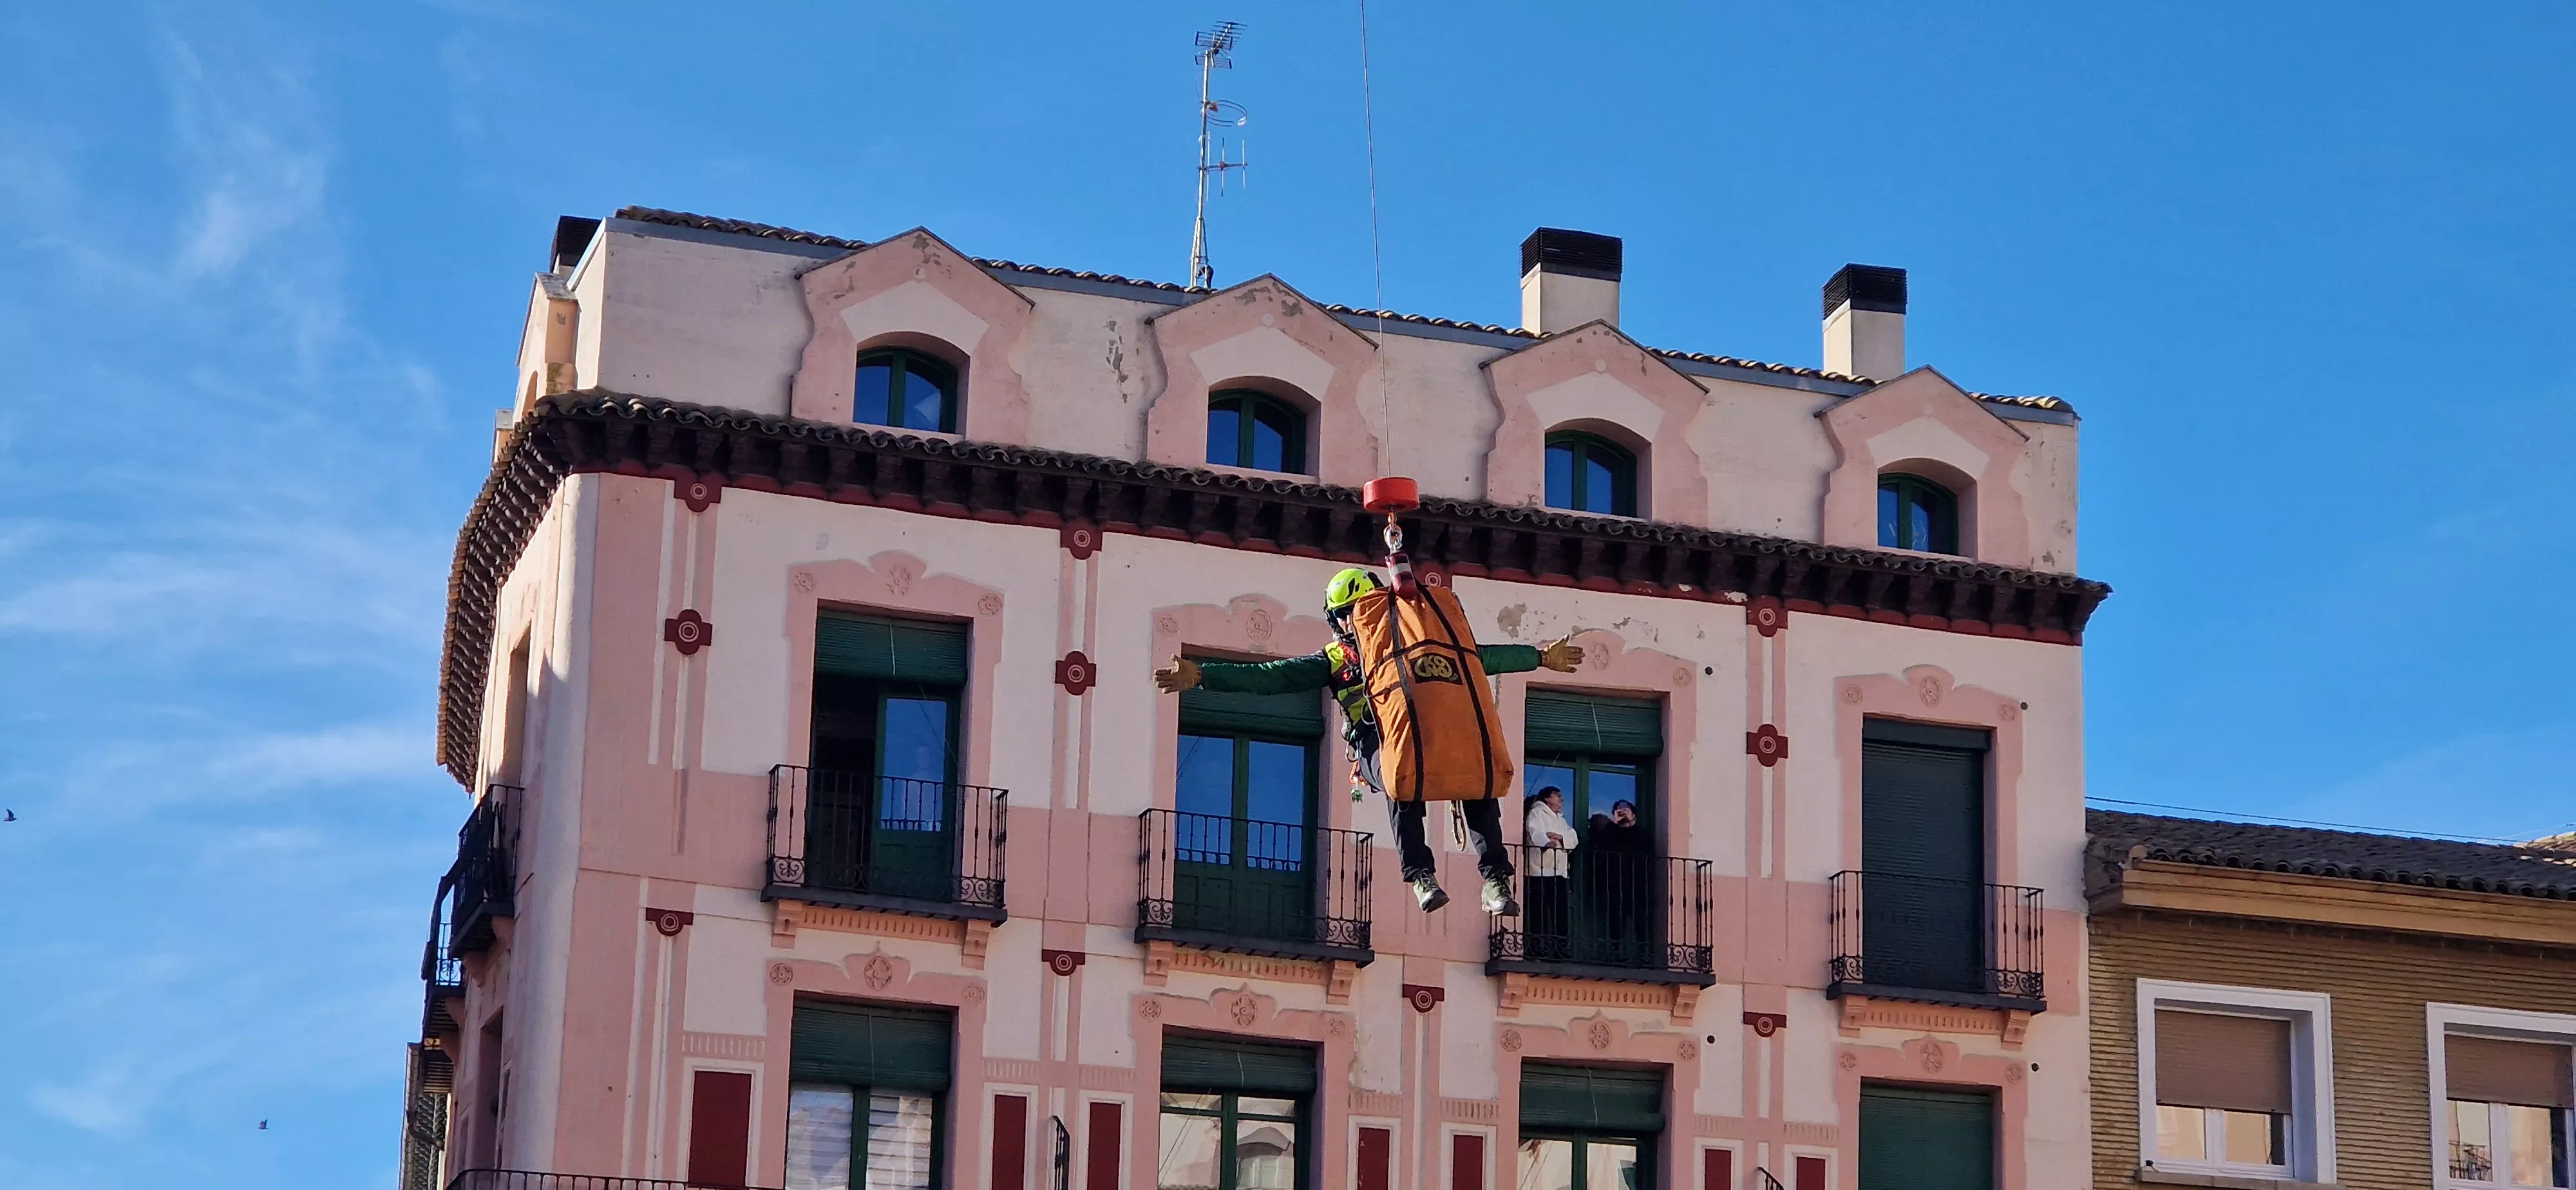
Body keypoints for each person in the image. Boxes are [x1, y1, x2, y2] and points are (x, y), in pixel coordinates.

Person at [1153, 567, 1583, 915]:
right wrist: (1206, 675)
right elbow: (1273, 676)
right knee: (1401, 772)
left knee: (1477, 776)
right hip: (1377, 743)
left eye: (1357, 610)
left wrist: (1541, 657)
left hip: (1427, 732)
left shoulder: (1414, 645)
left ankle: (1495, 880)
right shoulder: (1336, 660)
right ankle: (1420, 875)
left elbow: (1481, 657)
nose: (1350, 620)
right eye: (1343, 613)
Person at [1522, 786, 1578, 954]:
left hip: (1559, 872)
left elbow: (1573, 837)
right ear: (1547, 798)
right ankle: (1535, 948)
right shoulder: (1537, 813)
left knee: (1559, 913)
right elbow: (1535, 831)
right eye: (1557, 796)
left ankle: (1561, 949)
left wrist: (1561, 838)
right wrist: (1547, 842)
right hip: (1539, 871)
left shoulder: (1561, 820)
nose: (1561, 799)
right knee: (1538, 912)